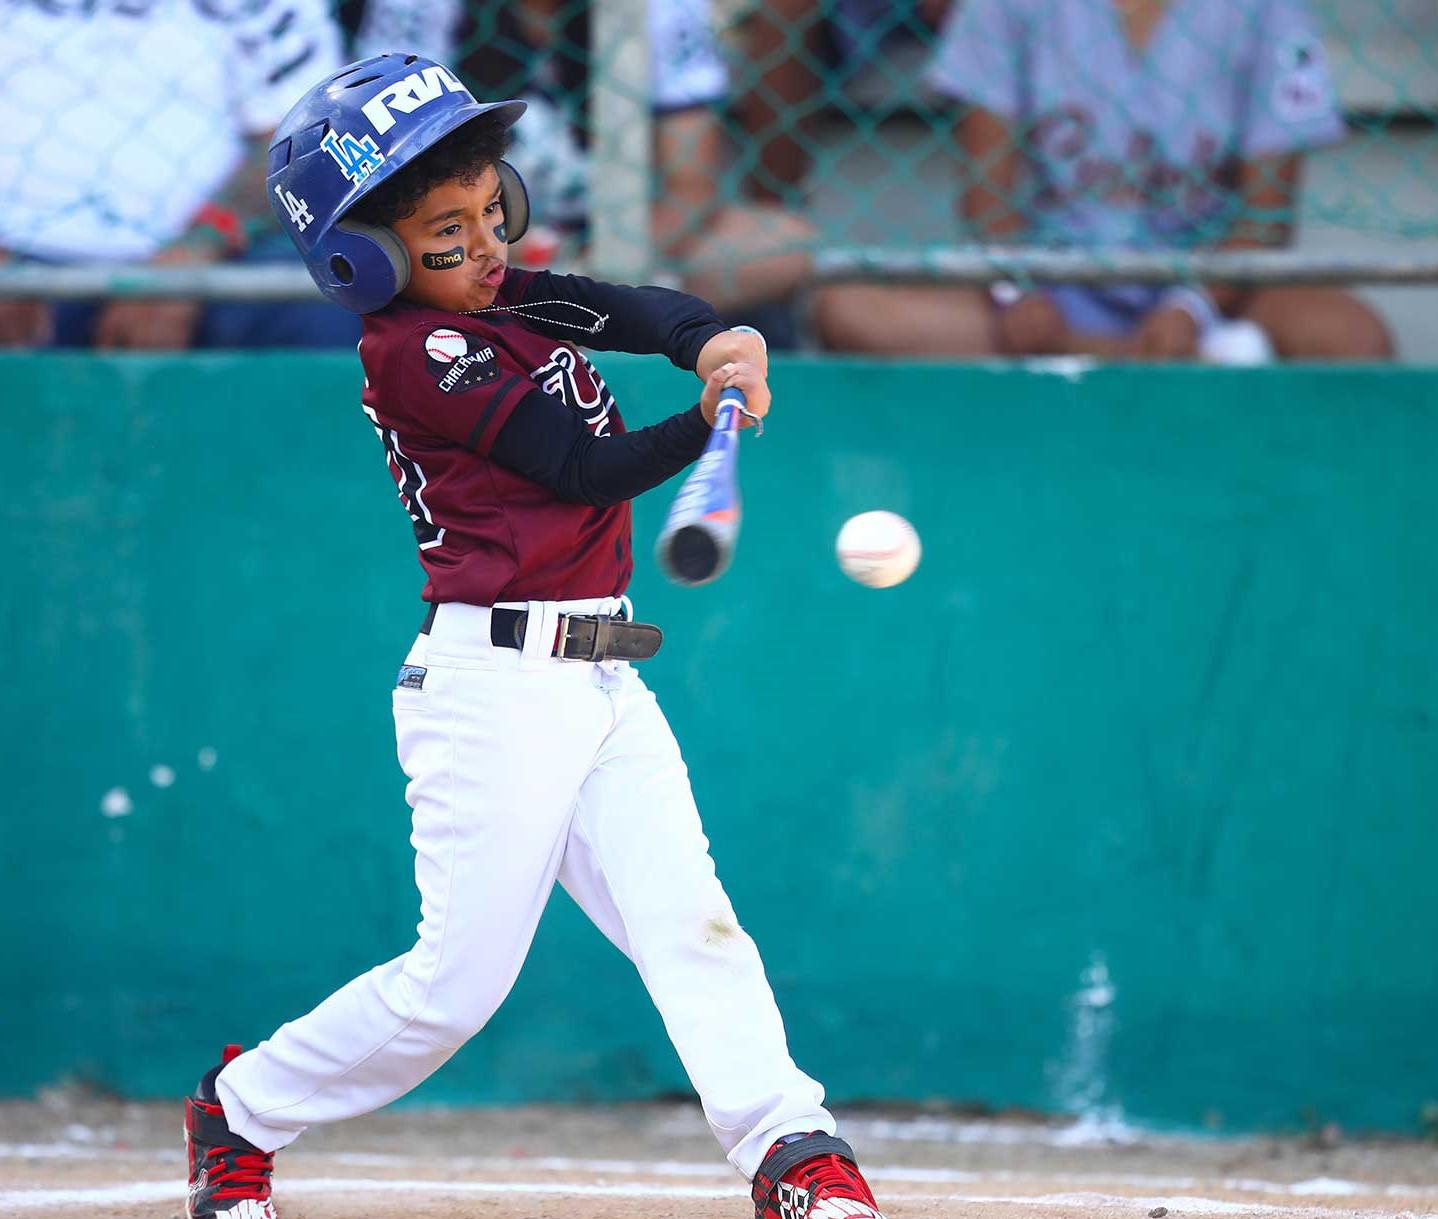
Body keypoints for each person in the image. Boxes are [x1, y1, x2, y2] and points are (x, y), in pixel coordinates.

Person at [181, 53, 887, 1219]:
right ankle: (241, 1107)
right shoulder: (411, 351)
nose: (485, 243)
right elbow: (580, 466)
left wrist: (712, 342)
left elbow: (630, 310)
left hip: (604, 677)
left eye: (487, 208)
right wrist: (701, 417)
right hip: (491, 692)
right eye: (444, 232)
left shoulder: (505, 294)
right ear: (368, 259)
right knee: (448, 993)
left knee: (692, 924)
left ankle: (791, 1148)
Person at [813, 0, 1394, 360]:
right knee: (849, 309)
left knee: (1354, 338)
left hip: (1214, 286)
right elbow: (988, 197)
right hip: (1053, 282)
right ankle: (1183, 363)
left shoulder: (1264, 8)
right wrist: (1016, 290)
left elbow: (1266, 218)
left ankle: (1101, 357)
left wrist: (1190, 309)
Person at [344, 0, 815, 345]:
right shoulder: (422, 8)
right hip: (477, 243)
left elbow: (691, 188)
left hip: (627, 247)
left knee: (781, 243)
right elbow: (397, 172)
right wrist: (508, 253)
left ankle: (572, 316)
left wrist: (599, 266)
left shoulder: (663, 9)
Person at [0, 0, 353, 350]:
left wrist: (196, 251)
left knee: (330, 305)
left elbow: (304, 140)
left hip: (217, 257)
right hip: (18, 252)